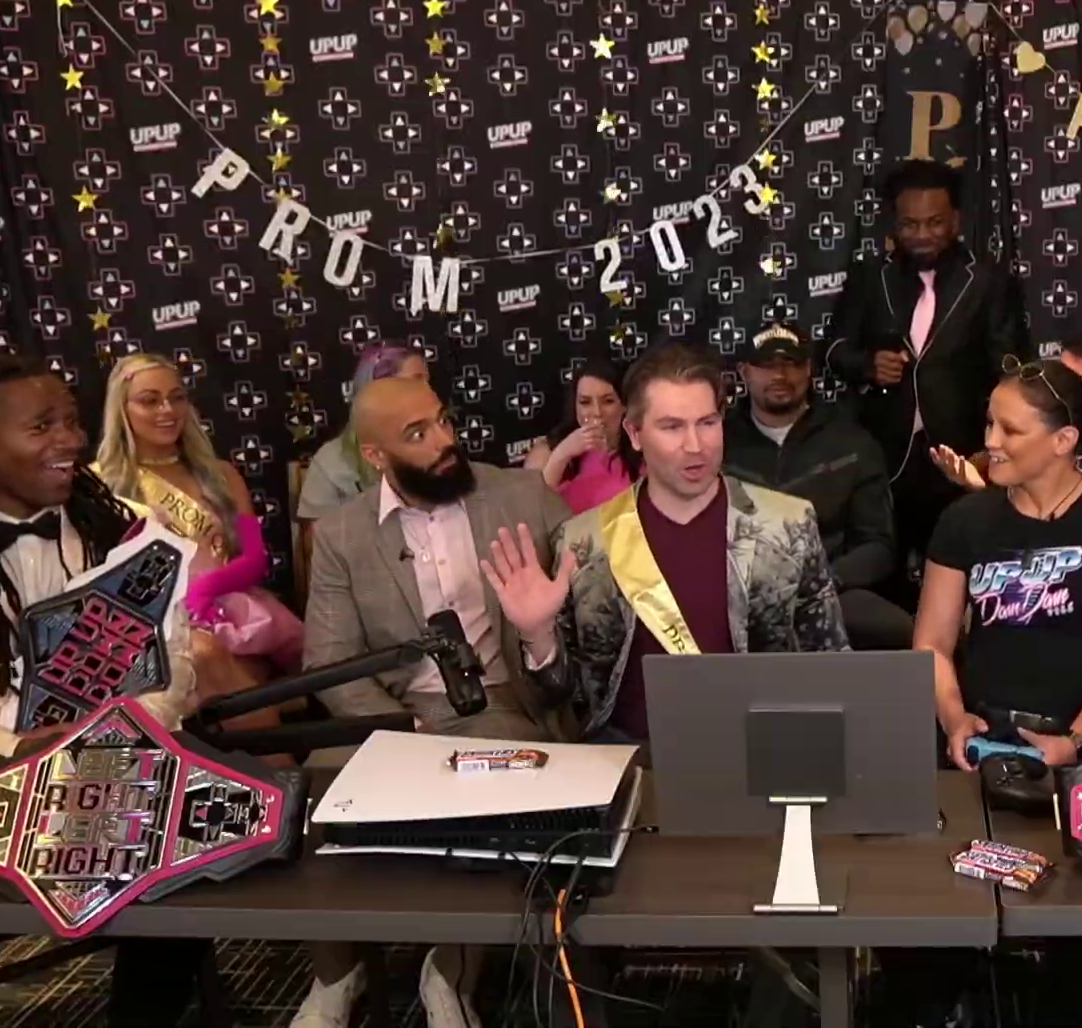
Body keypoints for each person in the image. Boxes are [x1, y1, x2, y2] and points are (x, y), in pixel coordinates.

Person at [0, 355, 226, 1027]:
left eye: (71, 421)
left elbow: (174, 662)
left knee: (186, 869)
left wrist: (111, 731)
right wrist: (15, 742)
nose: (69, 440)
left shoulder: (129, 528)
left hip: (116, 773)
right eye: (41, 426)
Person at [294, 376, 574, 1028]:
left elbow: (587, 612)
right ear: (375, 456)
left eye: (443, 421)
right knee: (310, 794)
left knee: (485, 786)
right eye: (417, 434)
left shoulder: (524, 496)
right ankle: (335, 975)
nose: (445, 440)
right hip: (393, 715)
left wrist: (541, 632)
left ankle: (450, 975)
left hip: (500, 703)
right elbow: (329, 664)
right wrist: (406, 732)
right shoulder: (342, 534)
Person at [479, 342, 848, 742]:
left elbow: (829, 664)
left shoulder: (788, 524)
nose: (695, 445)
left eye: (707, 422)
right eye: (672, 427)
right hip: (628, 755)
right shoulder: (584, 542)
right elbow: (560, 697)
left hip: (760, 748)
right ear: (634, 434)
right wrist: (538, 635)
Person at [916, 356, 1082, 770]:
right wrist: (954, 719)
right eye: (990, 424)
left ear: (1063, 440)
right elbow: (931, 646)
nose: (991, 442)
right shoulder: (964, 520)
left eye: (1010, 430)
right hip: (979, 743)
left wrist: (1074, 742)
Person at [821, 158, 1030, 589]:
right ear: (893, 224)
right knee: (880, 580)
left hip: (961, 456)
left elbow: (1010, 369)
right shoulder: (870, 277)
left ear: (955, 221)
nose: (921, 235)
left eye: (934, 223)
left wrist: (990, 449)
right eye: (909, 224)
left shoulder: (987, 281)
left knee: (961, 574)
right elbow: (833, 350)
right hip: (883, 455)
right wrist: (868, 365)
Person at [96, 354, 303, 678]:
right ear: (122, 409)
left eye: (176, 397)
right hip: (150, 627)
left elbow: (255, 559)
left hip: (233, 613)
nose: (167, 410)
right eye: (150, 401)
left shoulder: (222, 475)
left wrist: (204, 590)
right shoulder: (99, 485)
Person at [723, 325, 913, 650]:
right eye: (767, 365)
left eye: (791, 364)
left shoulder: (852, 442)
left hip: (830, 590)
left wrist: (820, 583)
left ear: (809, 369)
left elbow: (878, 547)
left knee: (900, 633)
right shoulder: (718, 444)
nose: (780, 375)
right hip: (739, 595)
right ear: (744, 371)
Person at [928, 329, 1082, 495]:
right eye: (1060, 374)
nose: (1063, 387)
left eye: (1078, 380)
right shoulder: (1033, 442)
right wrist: (978, 488)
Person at [298, 343, 430, 524]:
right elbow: (315, 537)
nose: (428, 393)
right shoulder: (331, 463)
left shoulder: (439, 446)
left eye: (427, 383)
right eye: (415, 383)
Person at [521, 360, 639, 515]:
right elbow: (529, 513)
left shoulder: (642, 451)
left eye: (608, 401)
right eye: (585, 402)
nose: (596, 412)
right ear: (575, 406)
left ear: (624, 405)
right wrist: (562, 454)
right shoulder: (546, 452)